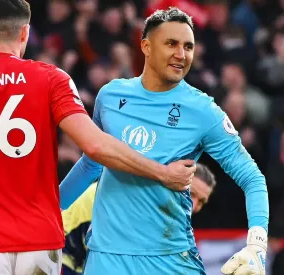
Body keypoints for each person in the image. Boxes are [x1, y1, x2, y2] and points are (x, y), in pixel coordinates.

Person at [0, 1, 196, 274]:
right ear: (24, 34)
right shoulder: (51, 79)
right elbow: (94, 145)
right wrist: (162, 172)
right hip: (39, 240)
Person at [59, 7, 269, 275]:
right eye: (171, 44)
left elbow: (252, 178)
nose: (181, 54)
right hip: (107, 259)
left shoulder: (203, 110)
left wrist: (257, 246)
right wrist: (53, 210)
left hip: (170, 259)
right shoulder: (110, 97)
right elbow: (91, 163)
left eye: (188, 46)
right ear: (146, 46)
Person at [61, 164, 217, 275]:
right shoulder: (136, 203)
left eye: (202, 201)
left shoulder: (165, 215)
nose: (194, 204)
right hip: (59, 257)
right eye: (192, 193)